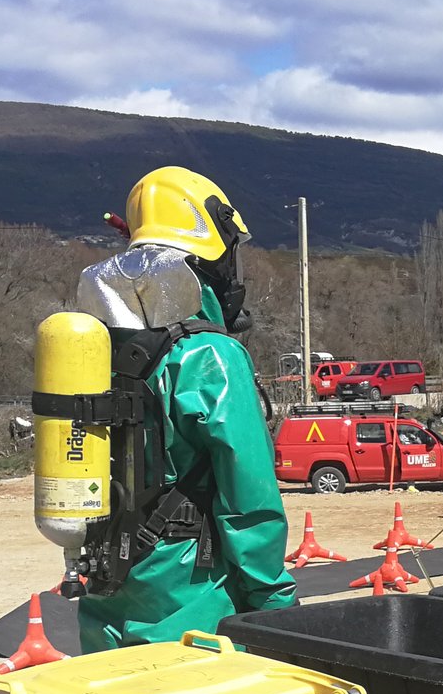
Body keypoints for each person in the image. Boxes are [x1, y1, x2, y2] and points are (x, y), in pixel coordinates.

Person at [73, 166, 297, 650]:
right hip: (192, 596)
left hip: (105, 585)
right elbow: (249, 502)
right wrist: (273, 601)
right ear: (212, 256)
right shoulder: (210, 355)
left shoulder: (92, 346)